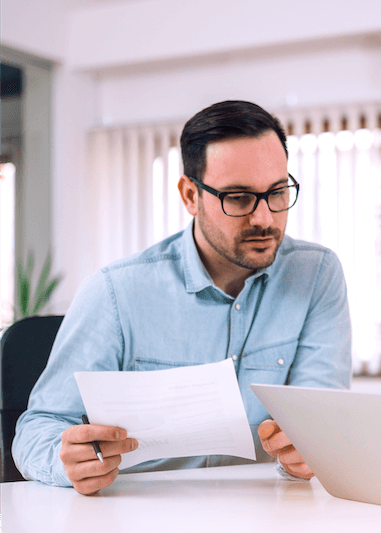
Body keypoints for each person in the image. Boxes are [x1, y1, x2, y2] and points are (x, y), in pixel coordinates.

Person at [13, 100, 352, 494]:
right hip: (138, 514)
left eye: (277, 192)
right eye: (239, 197)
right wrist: (65, 459)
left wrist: (310, 452)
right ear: (191, 196)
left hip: (266, 512)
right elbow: (38, 429)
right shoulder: (116, 292)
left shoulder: (316, 274)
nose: (264, 218)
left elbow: (322, 425)